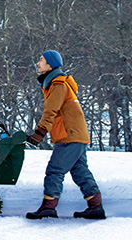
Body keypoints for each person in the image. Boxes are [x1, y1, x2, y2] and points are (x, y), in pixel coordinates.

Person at [25, 49, 106, 220]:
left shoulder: (58, 84)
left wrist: (40, 132)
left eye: (41, 60)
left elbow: (50, 111)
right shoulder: (56, 83)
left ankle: (48, 207)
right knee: (80, 171)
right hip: (76, 135)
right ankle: (95, 206)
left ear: (50, 64)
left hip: (70, 135)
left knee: (55, 170)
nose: (38, 63)